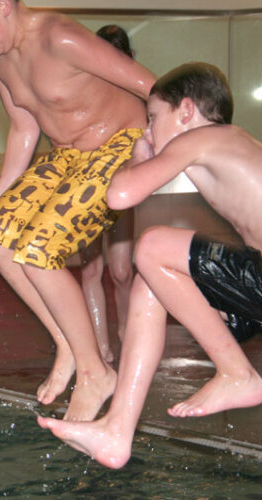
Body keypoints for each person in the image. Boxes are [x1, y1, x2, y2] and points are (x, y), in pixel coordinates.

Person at [38, 62, 262, 468]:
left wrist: (138, 157)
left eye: (153, 118)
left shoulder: (203, 139)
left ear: (187, 111)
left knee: (154, 245)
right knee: (152, 284)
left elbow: (120, 195)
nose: (148, 131)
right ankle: (116, 431)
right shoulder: (231, 143)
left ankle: (237, 373)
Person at [0, 0, 156, 420]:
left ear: (2, 5)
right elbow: (24, 127)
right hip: (68, 155)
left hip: (119, 144)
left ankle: (97, 373)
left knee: (39, 250)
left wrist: (162, 151)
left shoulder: (59, 36)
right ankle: (68, 344)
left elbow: (152, 88)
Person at [80, 24, 137, 362]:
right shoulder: (82, 94)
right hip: (85, 190)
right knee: (90, 269)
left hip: (121, 190)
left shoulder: (136, 96)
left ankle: (127, 334)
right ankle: (100, 347)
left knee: (121, 271)